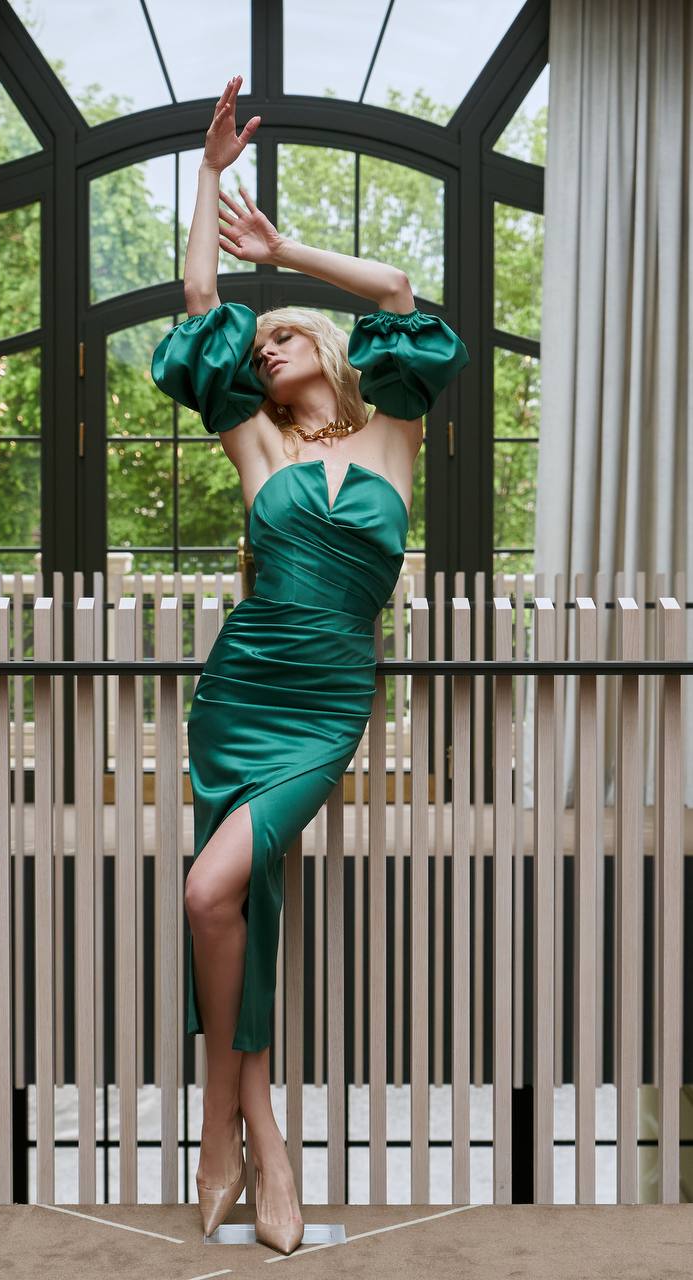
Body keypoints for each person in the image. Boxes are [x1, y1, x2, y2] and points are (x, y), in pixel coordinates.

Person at [151, 74, 469, 1255]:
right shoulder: (255, 443)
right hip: (240, 686)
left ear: (327, 351)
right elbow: (198, 298)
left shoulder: (392, 428)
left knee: (211, 889)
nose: (269, 338)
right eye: (264, 333)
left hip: (327, 694)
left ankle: (232, 1122)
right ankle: (251, 1131)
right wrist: (207, 175)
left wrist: (286, 251)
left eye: (287, 330)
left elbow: (397, 291)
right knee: (234, 895)